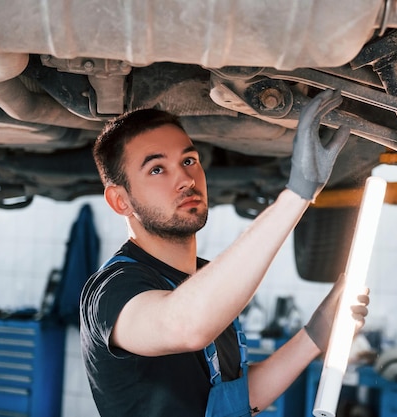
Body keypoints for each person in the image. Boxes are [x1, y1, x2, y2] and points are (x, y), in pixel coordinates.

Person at [80, 89, 370, 417]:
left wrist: (318, 333)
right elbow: (185, 326)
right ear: (121, 201)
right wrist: (297, 194)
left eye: (189, 161)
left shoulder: (207, 284)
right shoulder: (111, 291)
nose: (186, 180)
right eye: (157, 170)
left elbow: (238, 398)